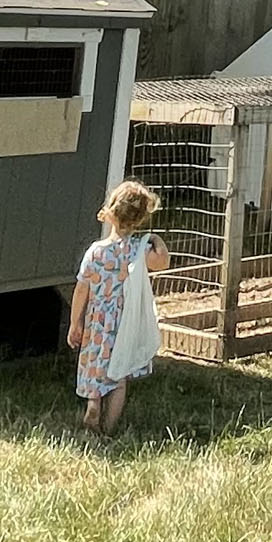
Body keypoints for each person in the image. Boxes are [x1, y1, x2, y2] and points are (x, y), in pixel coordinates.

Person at [68, 180, 168, 438]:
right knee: (119, 377)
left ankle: (93, 405)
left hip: (97, 321)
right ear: (141, 218)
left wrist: (75, 323)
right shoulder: (138, 250)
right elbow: (163, 263)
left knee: (94, 367)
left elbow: (82, 290)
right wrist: (155, 239)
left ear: (111, 212)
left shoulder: (96, 251)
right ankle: (109, 430)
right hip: (124, 323)